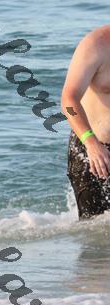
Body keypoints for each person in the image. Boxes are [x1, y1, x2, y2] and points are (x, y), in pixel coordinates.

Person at [61, 25, 110, 219]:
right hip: (94, 149)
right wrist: (91, 142)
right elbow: (68, 101)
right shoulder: (97, 44)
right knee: (94, 228)